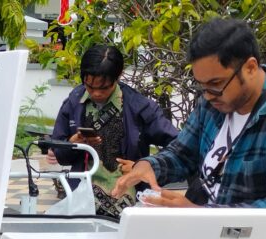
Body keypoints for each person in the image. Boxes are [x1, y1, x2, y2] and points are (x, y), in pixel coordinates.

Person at [111, 18, 266, 208]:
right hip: (206, 237)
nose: (208, 95)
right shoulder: (214, 102)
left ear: (250, 67)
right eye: (202, 86)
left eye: (216, 83)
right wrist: (149, 165)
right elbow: (182, 153)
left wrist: (200, 216)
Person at [51, 44, 178, 217]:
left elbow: (178, 147)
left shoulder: (139, 107)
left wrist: (142, 166)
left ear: (118, 77)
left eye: (103, 88)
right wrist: (72, 144)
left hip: (128, 202)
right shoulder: (74, 102)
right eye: (89, 86)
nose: (96, 93)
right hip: (82, 198)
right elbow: (59, 153)